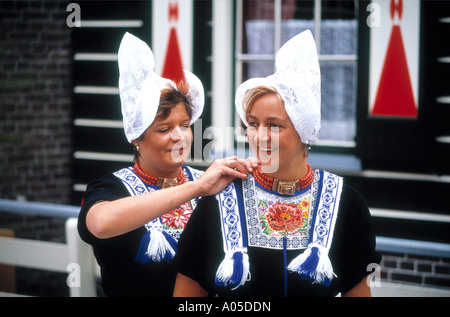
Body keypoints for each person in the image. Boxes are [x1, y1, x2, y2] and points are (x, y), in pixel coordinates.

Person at [172, 30, 381, 297]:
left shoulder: (347, 205)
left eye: (274, 125)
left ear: (304, 131)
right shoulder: (219, 198)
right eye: (253, 124)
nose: (260, 136)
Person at [77, 32, 255, 297]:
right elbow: (100, 224)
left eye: (184, 125)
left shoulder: (209, 181)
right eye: (164, 129)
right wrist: (197, 188)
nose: (179, 136)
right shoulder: (112, 187)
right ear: (136, 138)